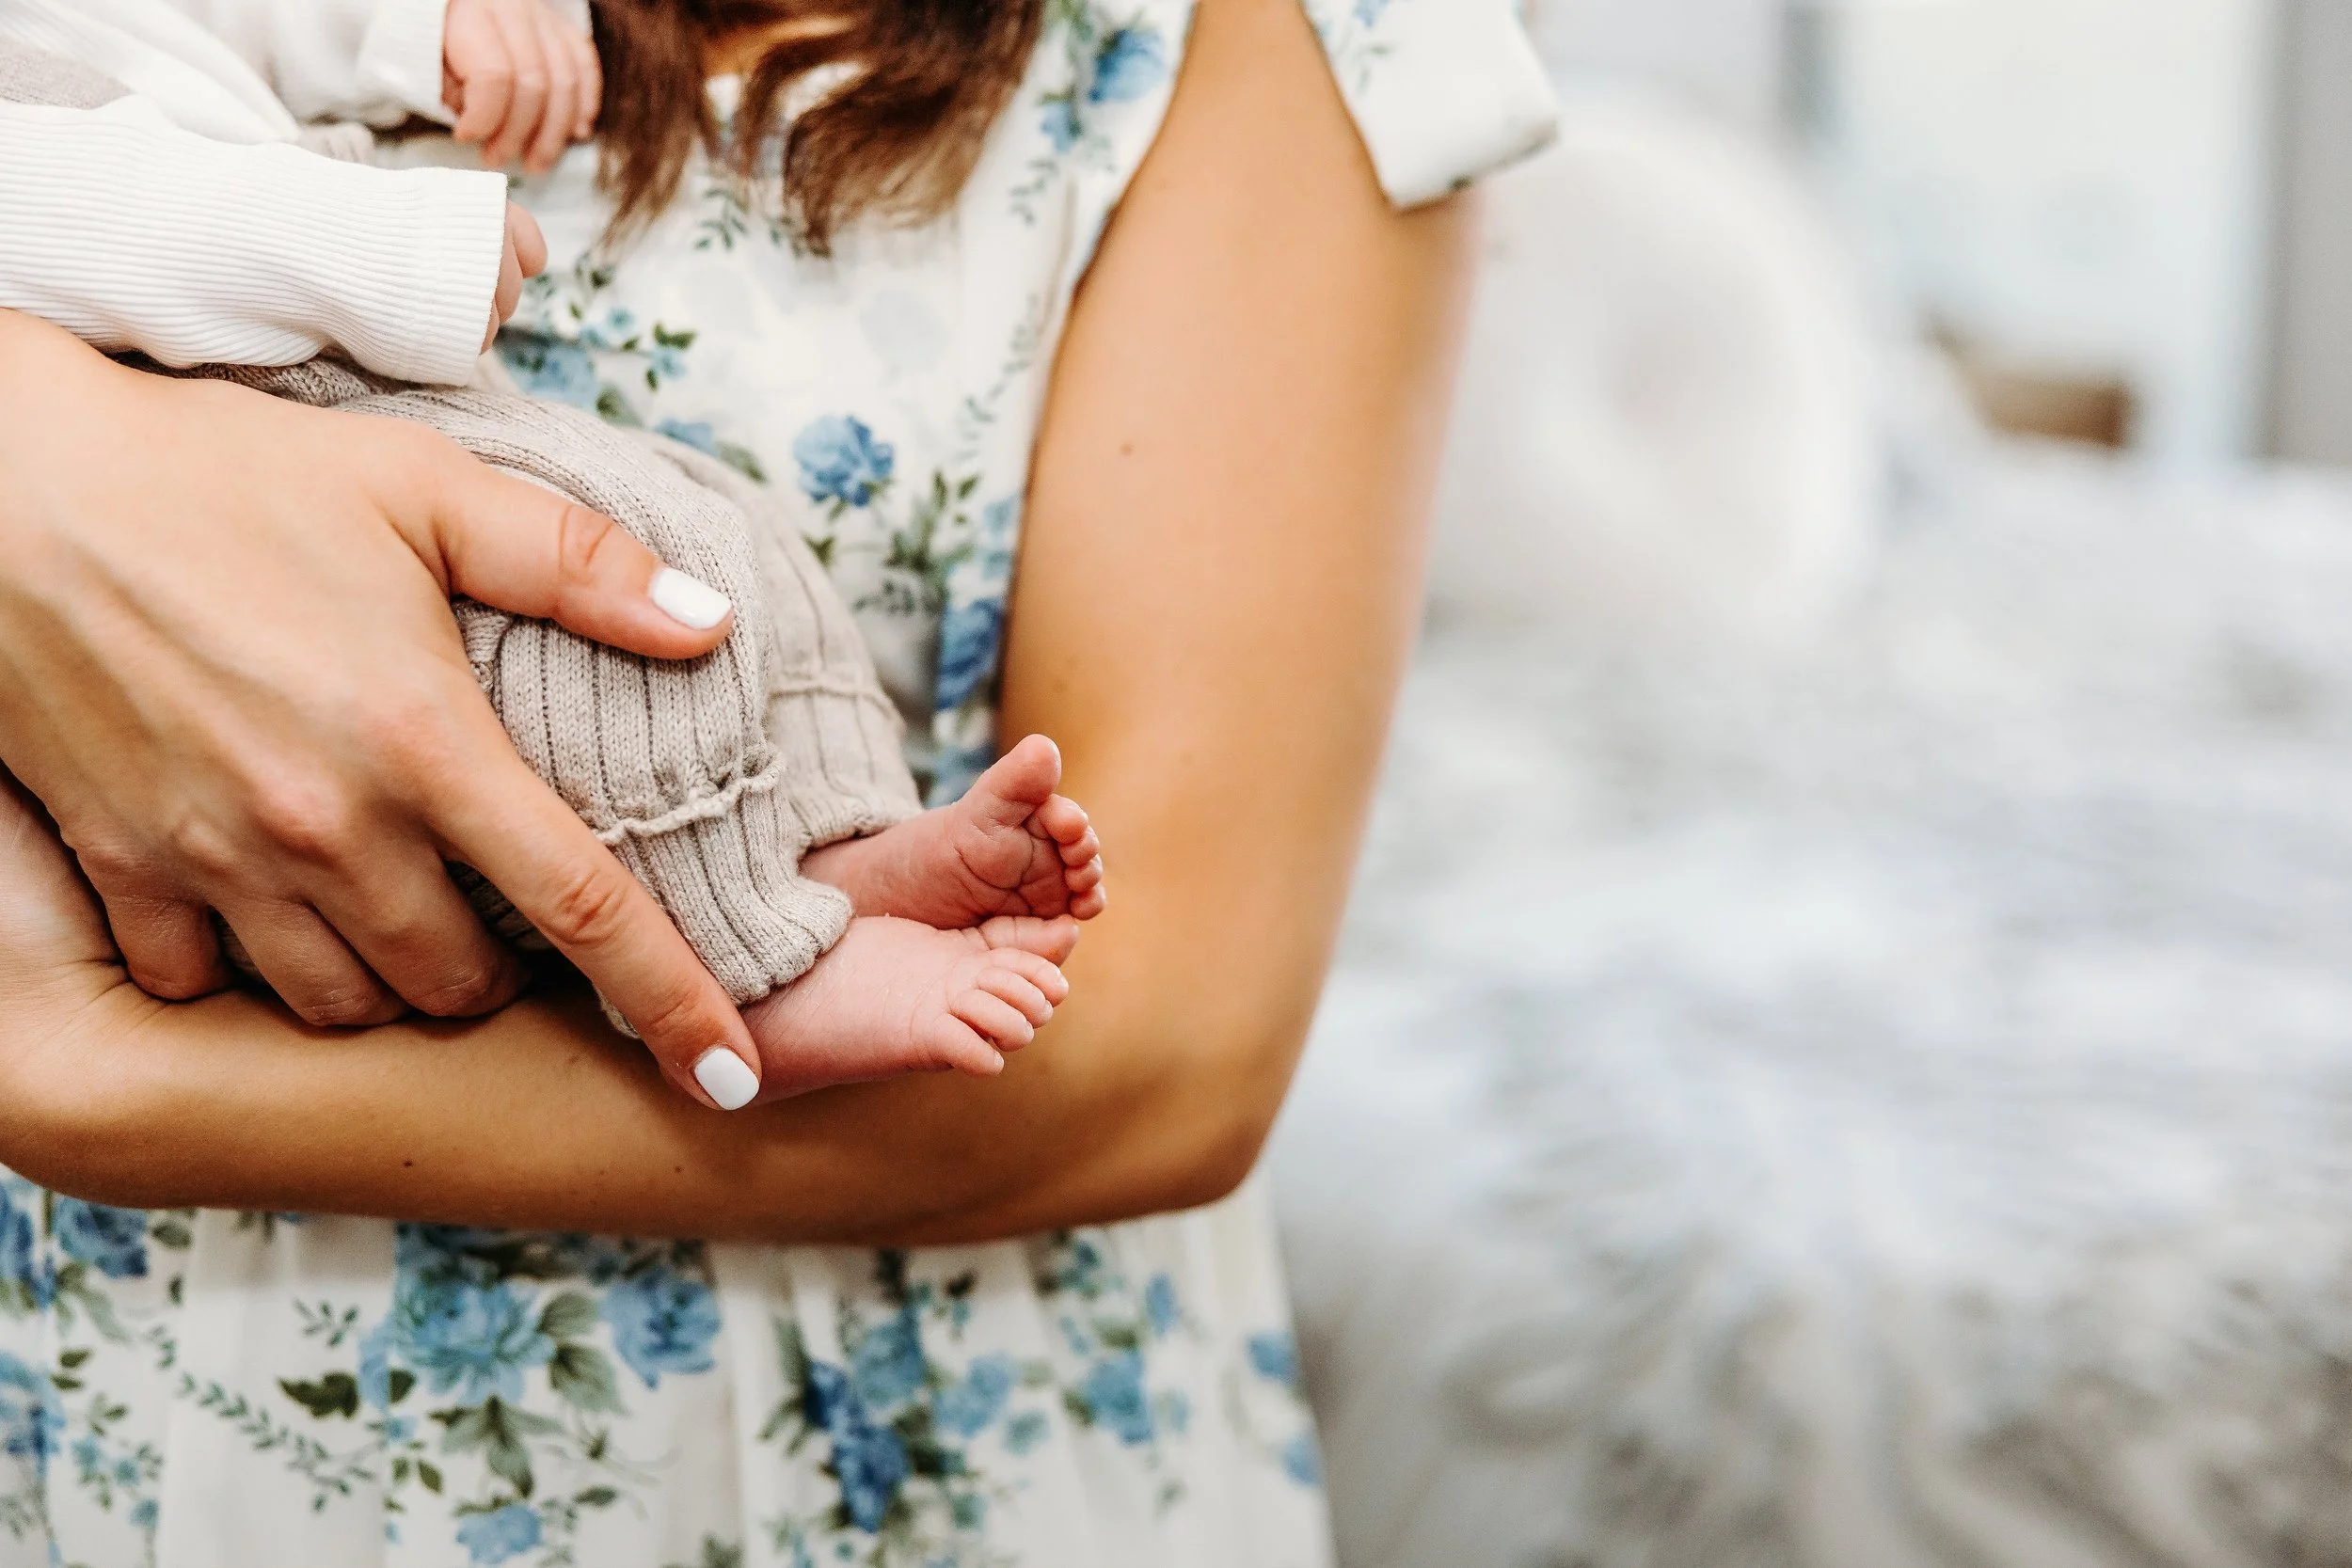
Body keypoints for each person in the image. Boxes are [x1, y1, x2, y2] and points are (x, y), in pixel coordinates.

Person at [0, 0, 1557, 1560]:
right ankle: (770, 925)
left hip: (842, 1444)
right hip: (99, 1394)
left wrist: (97, 1082)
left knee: (677, 589)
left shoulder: (1295, 36)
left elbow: (1162, 1053)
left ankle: (799, 884)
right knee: (576, 624)